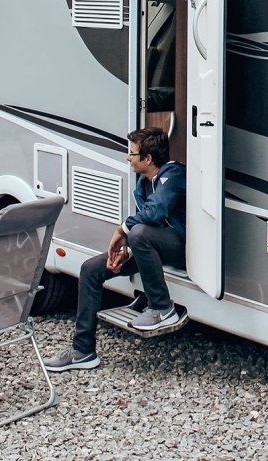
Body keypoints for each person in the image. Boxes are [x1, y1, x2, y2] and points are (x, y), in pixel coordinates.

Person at [46, 127, 185, 372]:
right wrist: (126, 252)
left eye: (132, 153)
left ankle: (162, 308)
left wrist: (122, 230)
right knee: (90, 269)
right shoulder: (143, 183)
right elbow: (145, 227)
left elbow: (155, 213)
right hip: (150, 247)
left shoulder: (172, 174)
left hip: (181, 248)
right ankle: (83, 351)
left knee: (138, 232)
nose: (128, 158)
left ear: (148, 159)